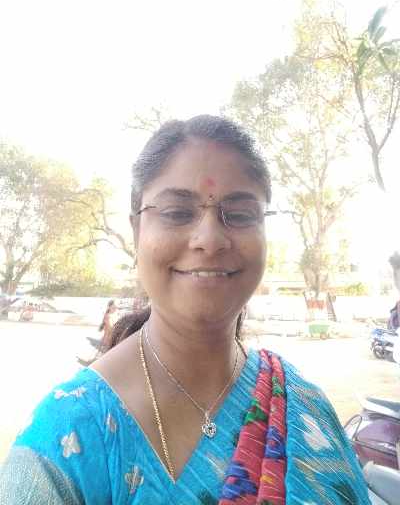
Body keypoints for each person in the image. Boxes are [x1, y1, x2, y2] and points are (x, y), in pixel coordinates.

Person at [0, 115, 370, 504]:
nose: (209, 239)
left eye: (239, 214)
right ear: (136, 231)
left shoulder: (303, 405)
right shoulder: (68, 438)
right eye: (177, 212)